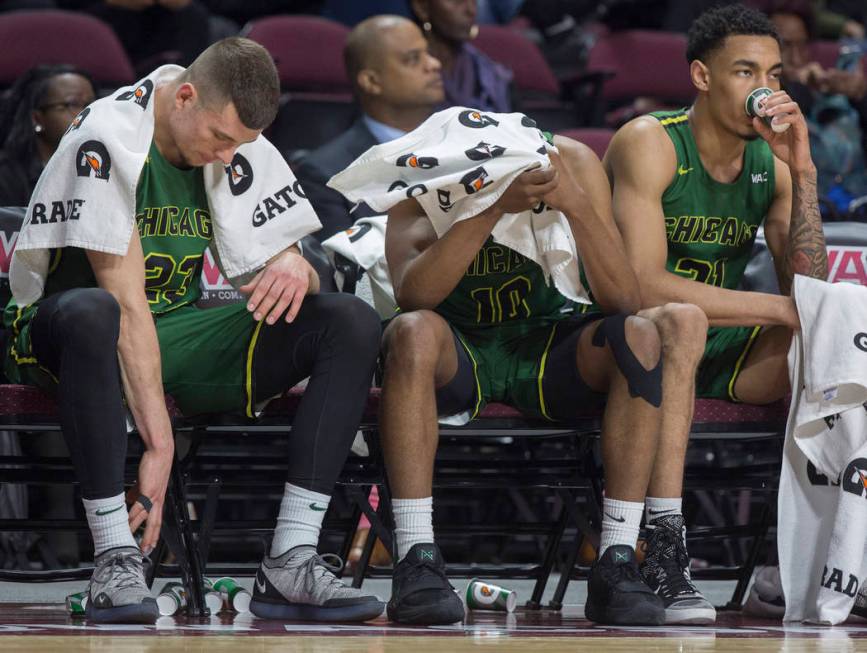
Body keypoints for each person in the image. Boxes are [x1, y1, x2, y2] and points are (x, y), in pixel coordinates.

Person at [4, 37, 384, 624]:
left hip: (174, 331)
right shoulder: (108, 137)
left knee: (348, 320)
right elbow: (125, 306)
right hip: (71, 336)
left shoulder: (227, 135)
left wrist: (296, 263)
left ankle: (290, 558)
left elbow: (289, 261)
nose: (227, 154)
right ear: (183, 97)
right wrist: (160, 447)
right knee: (93, 313)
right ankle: (114, 558)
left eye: (239, 145)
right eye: (221, 139)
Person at [377, 134, 715, 626]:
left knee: (639, 335)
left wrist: (576, 205)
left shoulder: (574, 161)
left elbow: (623, 297)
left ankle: (617, 561)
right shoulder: (425, 168)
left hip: (546, 344)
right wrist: (488, 207)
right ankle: (415, 557)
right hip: (461, 347)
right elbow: (413, 295)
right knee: (409, 332)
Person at [604, 3, 826, 409]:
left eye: (773, 74)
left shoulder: (773, 162)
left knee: (830, 333)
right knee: (670, 325)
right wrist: (781, 309)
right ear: (702, 76)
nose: (765, 90)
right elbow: (641, 287)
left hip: (718, 337)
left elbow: (809, 292)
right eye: (746, 72)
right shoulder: (649, 142)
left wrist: (803, 175)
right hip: (634, 337)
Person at [295, 15, 445, 241]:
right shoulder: (329, 176)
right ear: (372, 82)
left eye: (428, 53)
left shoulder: (471, 144)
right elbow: (348, 269)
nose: (434, 64)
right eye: (413, 59)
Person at [765, 0, 867, 217]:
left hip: (857, 208)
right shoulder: (761, 95)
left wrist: (860, 95)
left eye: (801, 46)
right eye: (784, 46)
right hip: (798, 214)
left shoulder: (835, 86)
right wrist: (795, 87)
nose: (795, 57)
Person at [0, 65, 97, 206]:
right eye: (73, 104)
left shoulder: (103, 167)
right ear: (37, 119)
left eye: (92, 104)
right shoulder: (6, 177)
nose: (88, 113)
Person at [411, 0, 514, 112]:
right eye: (458, 1)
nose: (471, 10)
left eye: (474, 1)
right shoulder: (406, 72)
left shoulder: (488, 72)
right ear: (422, 7)